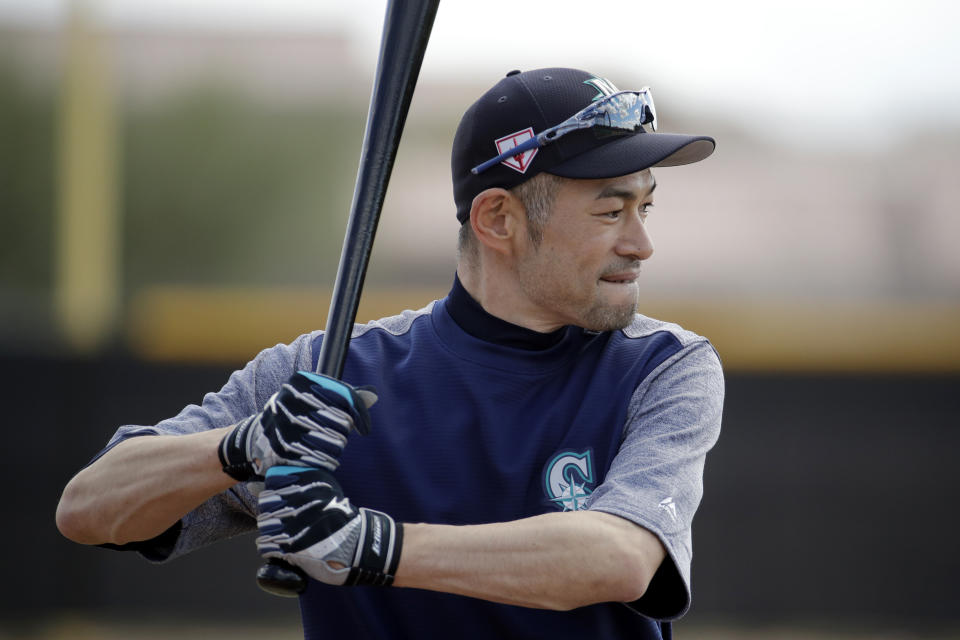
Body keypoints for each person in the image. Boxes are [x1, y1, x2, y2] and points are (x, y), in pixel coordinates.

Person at [56, 67, 724, 639]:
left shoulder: (663, 367)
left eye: (646, 208)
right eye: (612, 213)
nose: (641, 244)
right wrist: (240, 445)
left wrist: (370, 547)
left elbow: (619, 557)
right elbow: (88, 510)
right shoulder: (328, 373)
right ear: (498, 219)